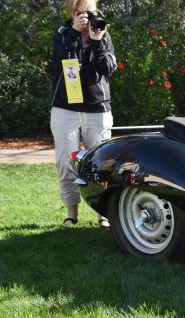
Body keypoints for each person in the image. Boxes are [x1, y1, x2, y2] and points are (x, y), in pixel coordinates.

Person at [51, 0, 117, 228]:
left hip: (97, 108)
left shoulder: (102, 32)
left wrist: (97, 42)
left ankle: (104, 214)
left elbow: (108, 69)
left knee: (101, 163)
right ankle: (71, 213)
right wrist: (74, 34)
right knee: (64, 161)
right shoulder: (63, 32)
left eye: (90, 12)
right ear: (72, 12)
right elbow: (59, 60)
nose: (87, 17)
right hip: (65, 108)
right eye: (81, 13)